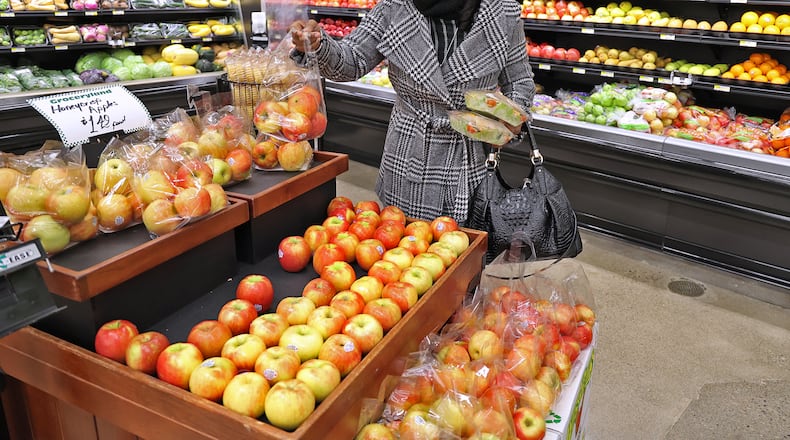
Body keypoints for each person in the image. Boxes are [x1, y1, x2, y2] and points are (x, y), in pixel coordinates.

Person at [290, 0, 534, 225]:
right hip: (409, 154)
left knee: (465, 257)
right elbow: (352, 61)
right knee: (403, 252)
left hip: (468, 157)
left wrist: (512, 114)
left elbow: (519, 79)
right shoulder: (396, 6)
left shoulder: (502, 10)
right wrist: (317, 45)